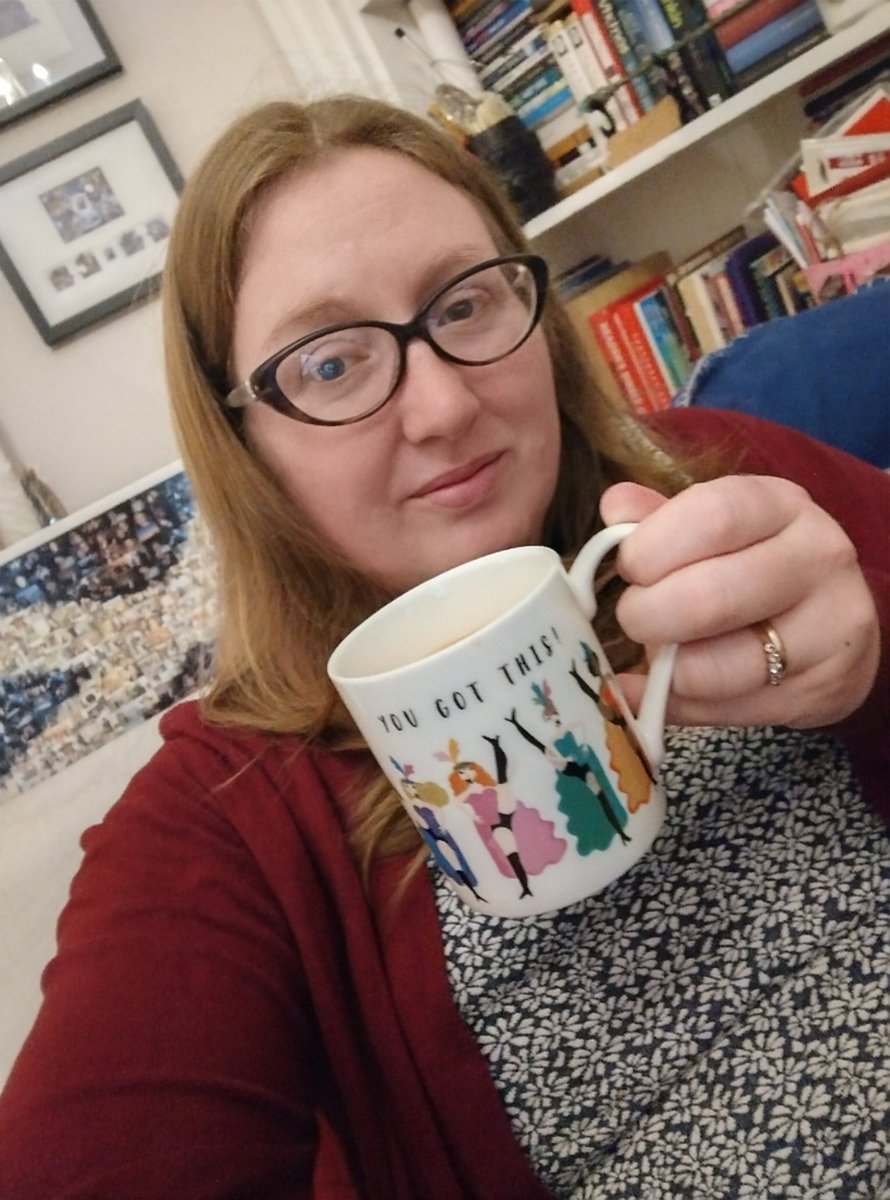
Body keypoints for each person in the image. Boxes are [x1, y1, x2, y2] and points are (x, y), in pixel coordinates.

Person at [0, 95, 887, 1199]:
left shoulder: (715, 477)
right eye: (330, 364)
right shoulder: (221, 817)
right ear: (244, 445)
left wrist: (872, 656)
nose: (439, 407)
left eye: (463, 305)